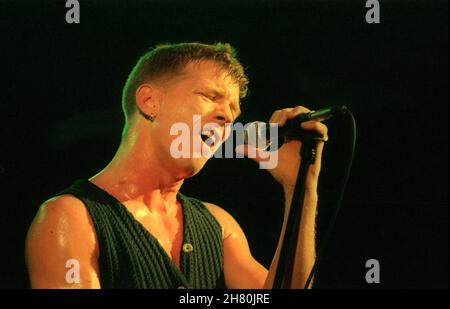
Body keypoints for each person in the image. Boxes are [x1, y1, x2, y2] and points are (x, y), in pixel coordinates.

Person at [25, 42, 328, 289]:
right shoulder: (70, 218)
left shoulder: (218, 226)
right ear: (149, 101)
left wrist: (301, 186)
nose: (226, 117)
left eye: (233, 113)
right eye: (211, 97)